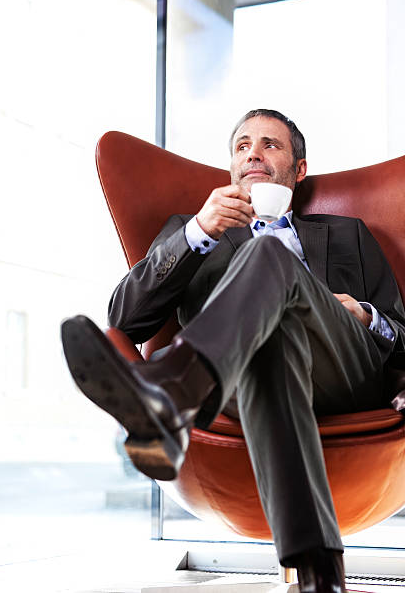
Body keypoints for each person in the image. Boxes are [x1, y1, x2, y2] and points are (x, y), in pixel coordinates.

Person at [61, 109, 405, 593]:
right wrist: (199, 231)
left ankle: (177, 392)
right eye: (242, 146)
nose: (253, 154)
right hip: (242, 382)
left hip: (343, 373)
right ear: (231, 167)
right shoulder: (193, 232)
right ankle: (320, 574)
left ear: (298, 169)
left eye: (269, 145)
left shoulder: (348, 233)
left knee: (266, 252)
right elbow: (124, 318)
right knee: (272, 345)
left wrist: (366, 315)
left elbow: (404, 335)